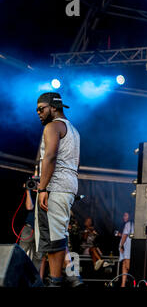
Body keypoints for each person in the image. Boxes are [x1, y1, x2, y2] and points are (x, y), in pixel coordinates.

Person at [34, 92, 81, 287]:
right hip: (68, 185)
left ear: (54, 107)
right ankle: (72, 278)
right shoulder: (73, 129)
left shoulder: (53, 126)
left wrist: (42, 188)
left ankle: (56, 282)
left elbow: (50, 157)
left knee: (54, 238)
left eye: (41, 108)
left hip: (55, 186)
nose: (38, 113)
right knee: (57, 235)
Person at [18, 183, 43, 271]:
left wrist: (41, 191)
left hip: (40, 229)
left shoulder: (47, 194)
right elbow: (29, 207)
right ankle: (17, 276)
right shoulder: (32, 194)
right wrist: (28, 191)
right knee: (21, 253)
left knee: (38, 256)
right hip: (28, 228)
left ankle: (33, 279)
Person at [118, 212, 134, 287]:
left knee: (127, 265)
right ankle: (123, 284)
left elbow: (124, 236)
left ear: (130, 216)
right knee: (124, 264)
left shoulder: (128, 224)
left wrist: (121, 246)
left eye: (125, 215)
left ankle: (129, 282)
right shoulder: (132, 224)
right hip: (128, 246)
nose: (124, 217)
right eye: (123, 215)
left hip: (127, 247)